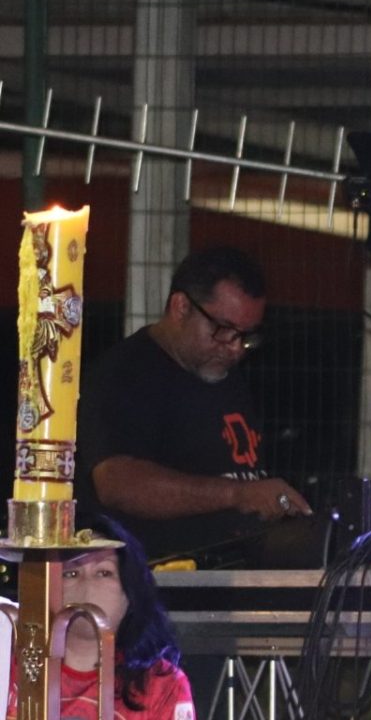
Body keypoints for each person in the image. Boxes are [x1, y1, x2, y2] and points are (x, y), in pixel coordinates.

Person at [76, 247, 312, 562]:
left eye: (246, 336)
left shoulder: (224, 374)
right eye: (222, 329)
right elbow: (117, 483)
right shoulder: (124, 375)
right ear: (181, 306)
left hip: (226, 571)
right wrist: (237, 495)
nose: (234, 348)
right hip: (157, 581)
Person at [6, 514, 195, 720]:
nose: (86, 583)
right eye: (70, 573)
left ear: (130, 593)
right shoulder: (7, 668)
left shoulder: (162, 685)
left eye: (104, 573)